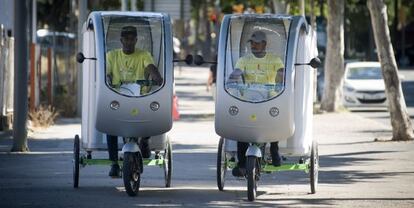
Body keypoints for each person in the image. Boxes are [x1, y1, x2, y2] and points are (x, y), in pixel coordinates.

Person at [105, 25, 163, 178]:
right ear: (121, 40)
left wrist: (157, 77)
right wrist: (108, 79)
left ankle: (145, 139)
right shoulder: (112, 56)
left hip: (140, 98)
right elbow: (107, 73)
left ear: (136, 40)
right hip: (118, 99)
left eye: (132, 39)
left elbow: (151, 67)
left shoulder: (144, 55)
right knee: (110, 126)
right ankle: (114, 164)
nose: (129, 42)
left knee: (151, 113)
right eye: (126, 39)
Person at [228, 30, 284, 177]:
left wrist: (283, 77)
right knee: (242, 130)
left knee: (276, 118)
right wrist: (232, 78)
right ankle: (241, 164)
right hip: (248, 98)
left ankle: (274, 149)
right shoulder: (244, 59)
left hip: (269, 97)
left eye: (257, 43)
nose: (253, 45)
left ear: (264, 44)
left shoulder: (274, 59)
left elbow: (282, 72)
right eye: (252, 43)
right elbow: (237, 72)